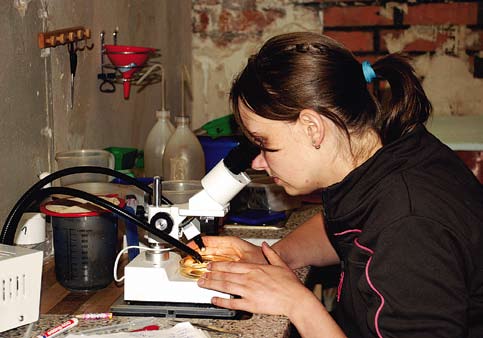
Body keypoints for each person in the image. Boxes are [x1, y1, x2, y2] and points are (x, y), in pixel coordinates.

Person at [191, 32, 483, 337]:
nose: (257, 162)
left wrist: (298, 304)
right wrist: (273, 256)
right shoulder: (390, 154)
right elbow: (354, 230)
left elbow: (391, 232)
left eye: (266, 145)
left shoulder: (410, 226)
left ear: (312, 129)